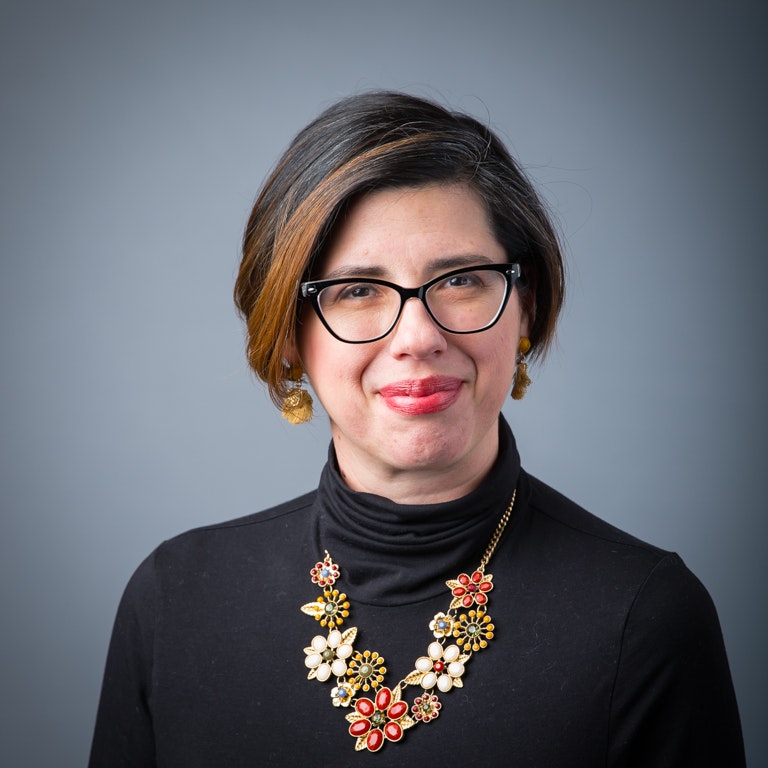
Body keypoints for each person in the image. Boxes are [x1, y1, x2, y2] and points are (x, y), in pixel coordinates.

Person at [89, 91, 745, 766]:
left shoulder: (645, 617)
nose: (418, 337)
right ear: (288, 335)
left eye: (461, 278)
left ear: (525, 304)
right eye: (355, 290)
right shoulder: (175, 600)